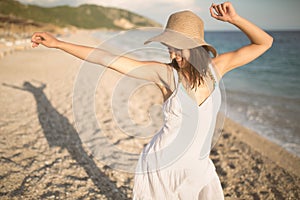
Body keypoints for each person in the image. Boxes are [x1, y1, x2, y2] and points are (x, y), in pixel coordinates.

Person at [31, 2, 273, 199]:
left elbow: (265, 42)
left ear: (195, 45)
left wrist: (235, 20)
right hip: (163, 167)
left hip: (199, 168)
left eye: (178, 47)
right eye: (169, 47)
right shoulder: (166, 74)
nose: (172, 54)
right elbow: (107, 59)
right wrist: (58, 44)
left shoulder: (217, 68)